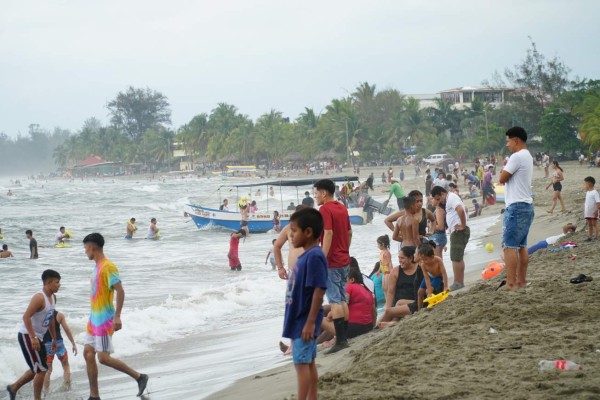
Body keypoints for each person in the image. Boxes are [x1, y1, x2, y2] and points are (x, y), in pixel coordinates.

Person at [81, 233, 148, 400]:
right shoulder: (97, 267)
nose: (85, 252)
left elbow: (120, 291)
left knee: (103, 358)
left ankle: (139, 377)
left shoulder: (108, 266)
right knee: (88, 354)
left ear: (92, 247)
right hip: (93, 320)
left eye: (85, 248)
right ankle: (94, 396)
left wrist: (117, 316)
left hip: (104, 320)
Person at [282, 208, 327, 400]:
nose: (290, 235)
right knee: (308, 362)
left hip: (304, 320)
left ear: (308, 232)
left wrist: (309, 322)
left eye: (294, 230)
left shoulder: (315, 256)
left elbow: (319, 290)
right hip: (300, 318)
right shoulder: (306, 256)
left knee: (301, 363)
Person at [6, 269, 60, 400]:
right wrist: (33, 337)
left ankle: (13, 388)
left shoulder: (52, 297)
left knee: (37, 367)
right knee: (42, 369)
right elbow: (26, 317)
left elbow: (51, 318)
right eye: (57, 282)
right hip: (27, 335)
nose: (59, 285)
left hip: (38, 336)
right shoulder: (39, 297)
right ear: (48, 282)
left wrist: (54, 338)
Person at [314, 179, 352, 354]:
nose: (315, 197)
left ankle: (341, 340)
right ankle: (344, 337)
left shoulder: (324, 209)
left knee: (335, 300)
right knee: (342, 298)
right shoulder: (342, 208)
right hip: (344, 258)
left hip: (332, 262)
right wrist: (345, 249)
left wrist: (322, 257)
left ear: (324, 193)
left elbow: (328, 233)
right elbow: (349, 232)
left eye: (316, 193)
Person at [499, 127, 534, 290]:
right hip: (526, 205)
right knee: (521, 246)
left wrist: (503, 170)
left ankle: (511, 282)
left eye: (508, 141)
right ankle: (521, 280)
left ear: (516, 140)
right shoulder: (527, 155)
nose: (507, 145)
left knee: (509, 246)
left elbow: (502, 178)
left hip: (516, 206)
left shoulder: (516, 156)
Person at [431, 186, 469, 291]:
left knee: (455, 257)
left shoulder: (451, 197)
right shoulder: (450, 199)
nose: (439, 201)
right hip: (456, 231)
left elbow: (461, 210)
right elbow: (464, 209)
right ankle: (460, 281)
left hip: (459, 231)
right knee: (458, 257)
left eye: (439, 198)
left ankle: (457, 282)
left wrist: (463, 225)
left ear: (443, 194)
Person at [377, 246, 423, 329]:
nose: (399, 260)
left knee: (393, 311)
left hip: (412, 302)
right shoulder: (395, 271)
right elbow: (390, 292)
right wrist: (388, 307)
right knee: (391, 310)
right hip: (398, 304)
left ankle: (377, 327)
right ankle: (385, 324)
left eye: (402, 258)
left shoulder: (419, 270)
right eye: (399, 258)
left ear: (410, 258)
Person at [42, 298, 78, 395]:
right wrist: (73, 344)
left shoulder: (41, 316)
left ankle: (45, 392)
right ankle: (66, 387)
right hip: (59, 344)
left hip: (47, 345)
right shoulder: (59, 315)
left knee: (48, 370)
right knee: (66, 365)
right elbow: (67, 330)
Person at [416, 242, 448, 310]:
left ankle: (432, 305)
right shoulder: (423, 264)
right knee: (420, 292)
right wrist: (429, 292)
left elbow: (444, 274)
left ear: (432, 257)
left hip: (438, 277)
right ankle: (419, 309)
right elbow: (426, 278)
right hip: (429, 277)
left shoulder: (438, 260)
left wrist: (446, 287)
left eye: (425, 259)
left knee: (428, 291)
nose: (423, 261)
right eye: (422, 259)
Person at [376, 235, 392, 305]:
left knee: (387, 288)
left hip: (388, 272)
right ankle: (387, 301)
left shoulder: (387, 253)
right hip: (384, 272)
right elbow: (381, 263)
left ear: (382, 244)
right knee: (384, 288)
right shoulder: (381, 252)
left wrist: (391, 272)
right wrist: (379, 271)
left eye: (378, 244)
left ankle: (389, 302)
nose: (377, 246)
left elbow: (389, 262)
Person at [583, 176, 600, 242]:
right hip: (588, 211)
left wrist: (596, 211)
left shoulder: (595, 192)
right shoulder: (588, 192)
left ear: (589, 184)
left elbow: (598, 202)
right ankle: (589, 236)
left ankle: (596, 236)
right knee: (589, 224)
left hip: (593, 211)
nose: (584, 186)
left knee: (594, 224)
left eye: (585, 184)